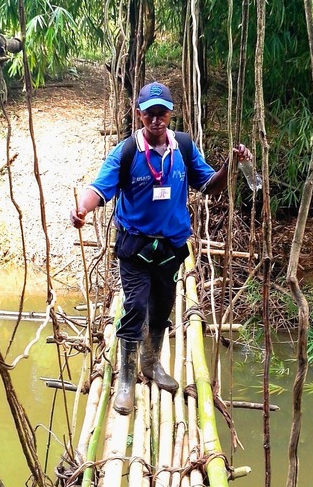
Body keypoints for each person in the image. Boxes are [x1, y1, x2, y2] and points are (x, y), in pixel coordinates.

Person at [70, 81, 252, 414]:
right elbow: (98, 188)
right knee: (136, 305)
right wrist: (82, 209)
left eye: (162, 114)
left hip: (170, 244)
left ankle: (151, 363)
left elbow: (209, 186)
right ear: (139, 115)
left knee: (163, 305)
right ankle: (126, 378)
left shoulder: (183, 146)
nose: (157, 120)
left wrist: (230, 165)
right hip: (136, 244)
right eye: (150, 114)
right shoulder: (126, 152)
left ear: (170, 114)